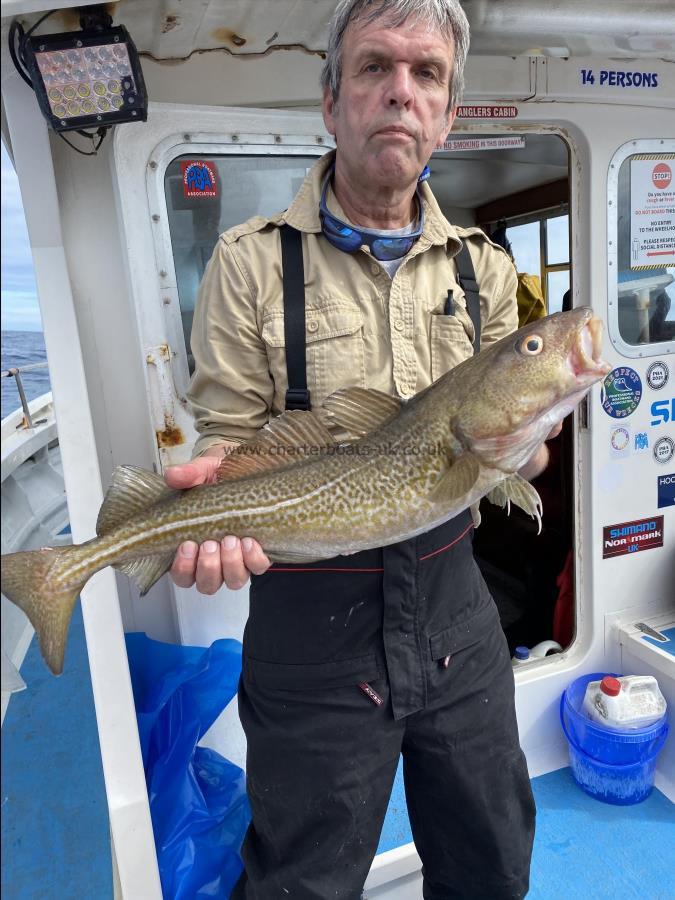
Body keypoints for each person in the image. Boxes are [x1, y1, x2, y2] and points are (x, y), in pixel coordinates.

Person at [166, 1, 550, 896]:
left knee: (493, 857)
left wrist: (525, 450)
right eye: (375, 67)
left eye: (427, 76)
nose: (400, 94)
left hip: (459, 614)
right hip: (310, 627)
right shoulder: (247, 261)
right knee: (304, 878)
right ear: (332, 98)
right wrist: (207, 508)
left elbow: (506, 464)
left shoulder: (482, 268)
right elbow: (227, 440)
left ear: (449, 114)